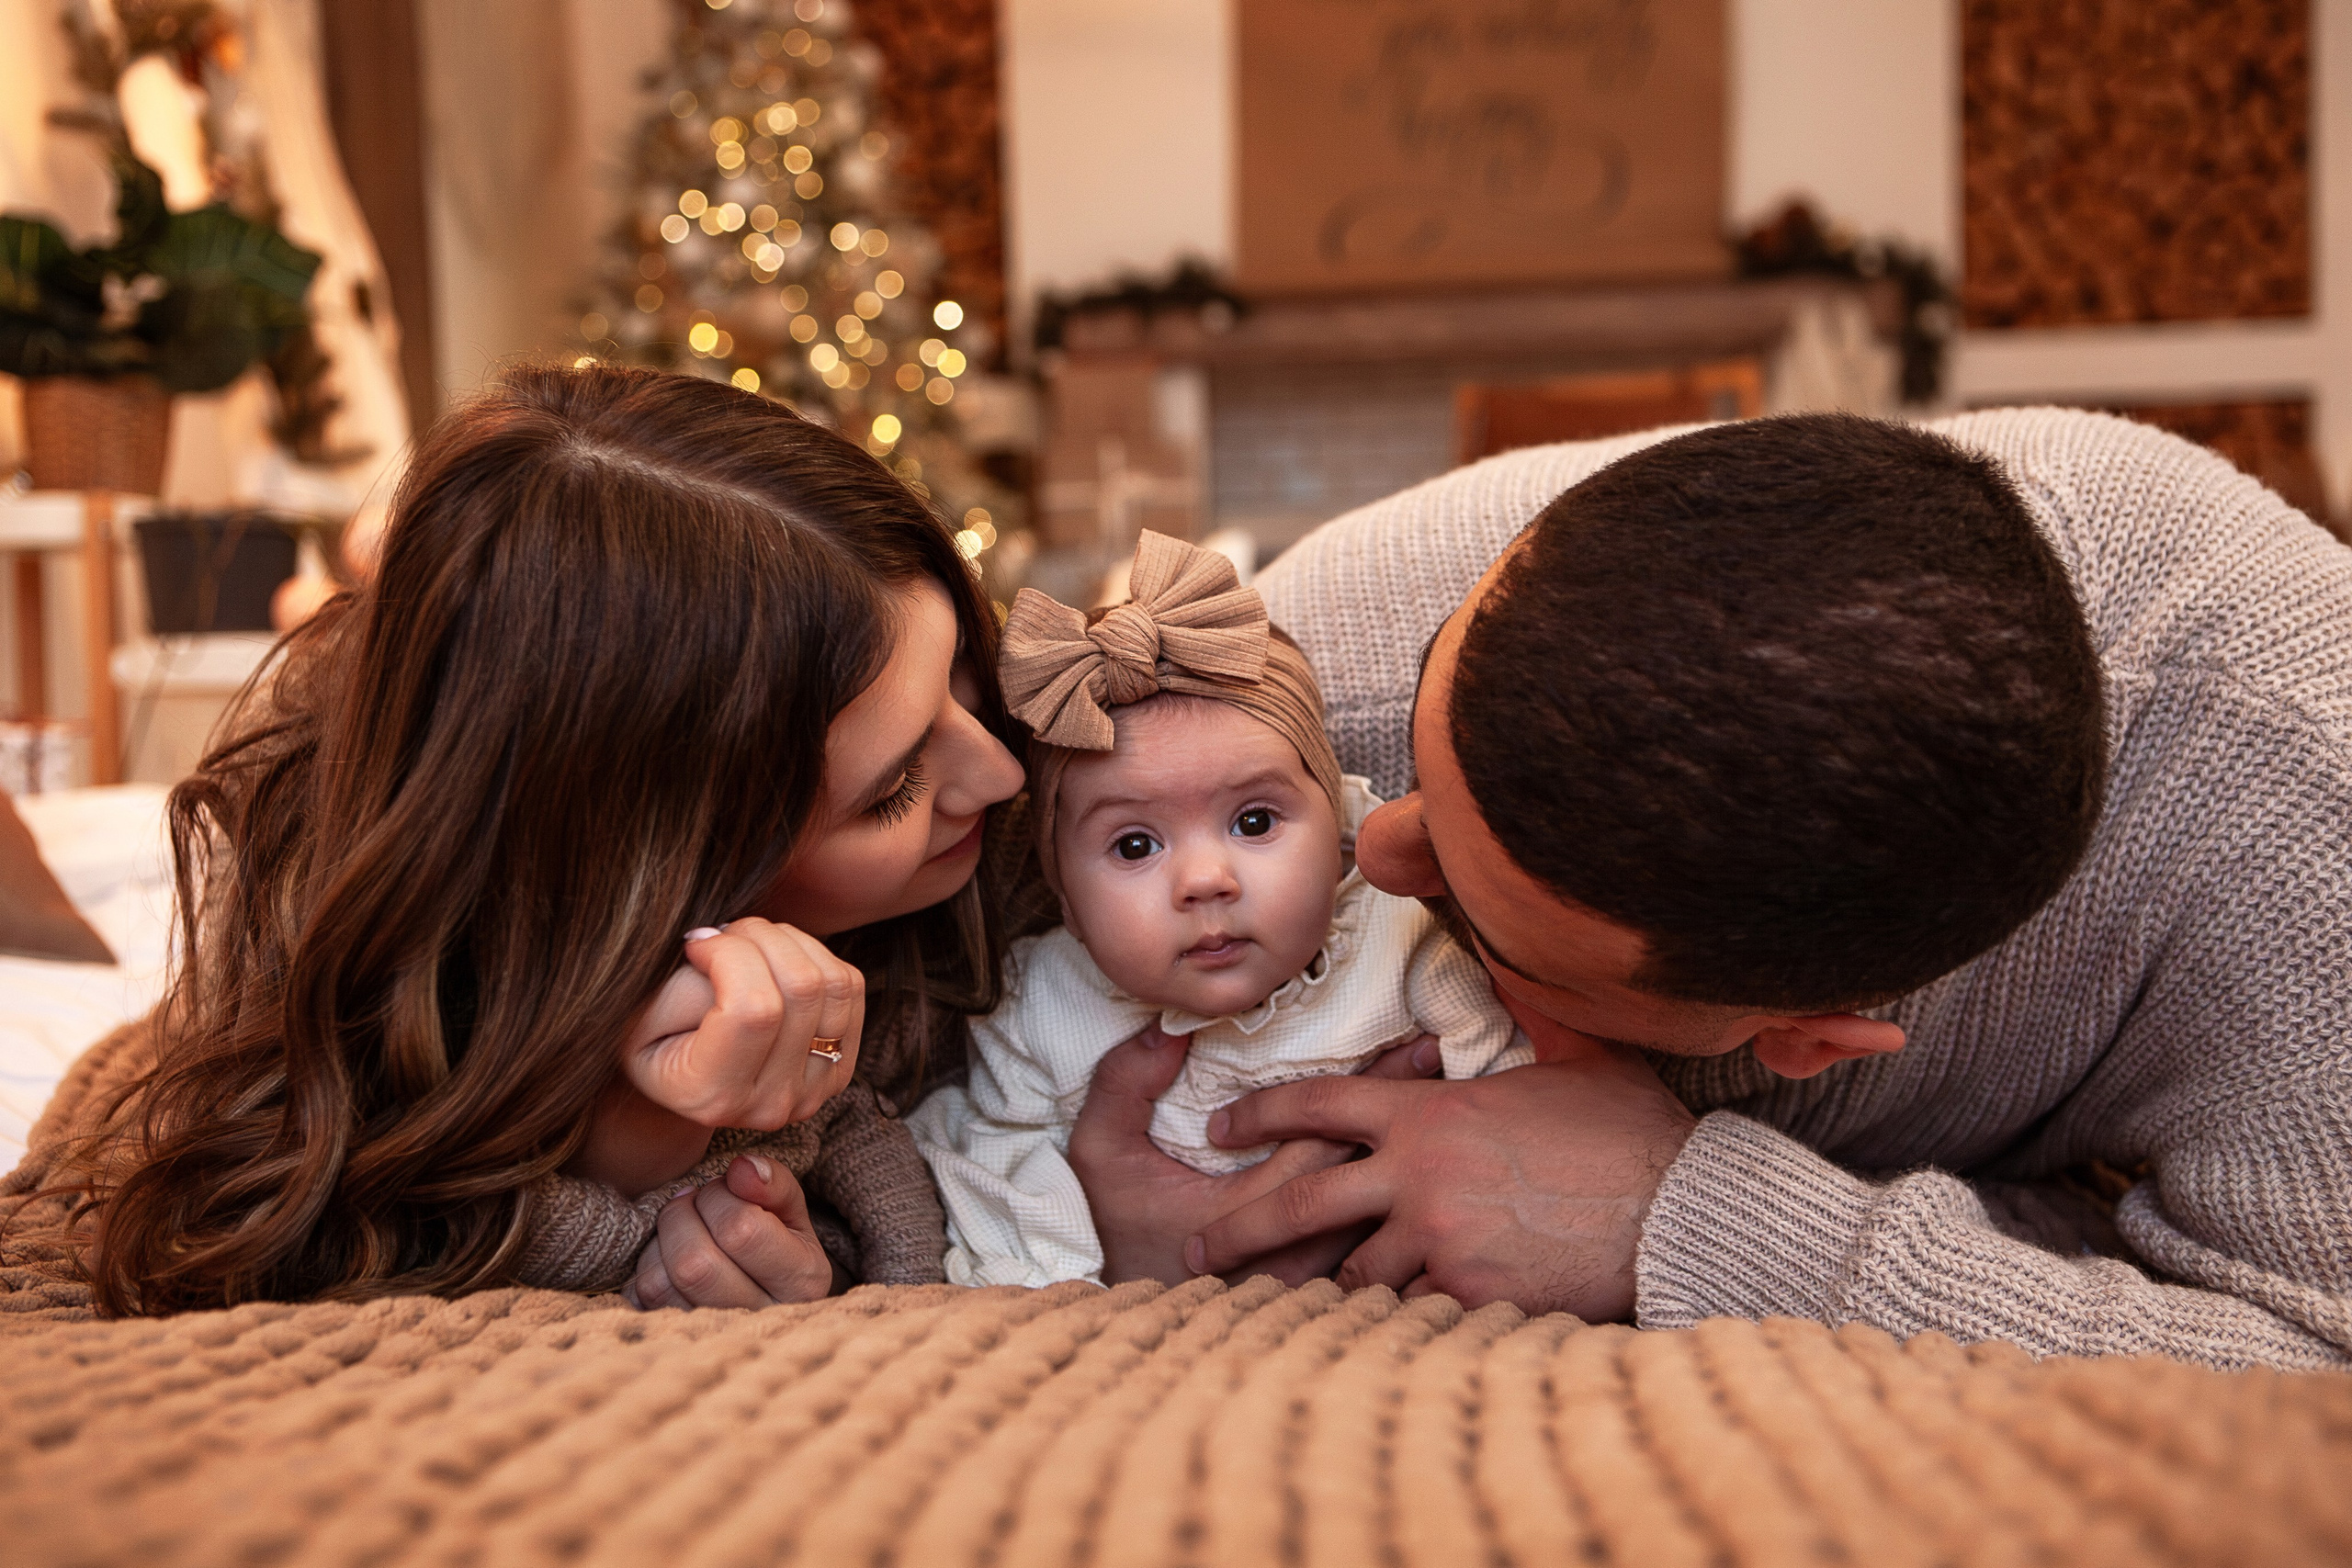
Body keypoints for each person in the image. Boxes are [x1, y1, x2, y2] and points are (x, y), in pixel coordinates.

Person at [1067, 410, 2352, 1371]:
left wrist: (1692, 1211)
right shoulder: (1300, 679)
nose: (1376, 844)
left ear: (1808, 1036)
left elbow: (2306, 1374)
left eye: (1474, 905)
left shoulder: (2313, 851)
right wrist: (1093, 1208)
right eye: (1425, 728)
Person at [13, 365, 1028, 1314]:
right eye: (895, 786)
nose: (1004, 772)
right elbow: (261, 1224)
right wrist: (655, 1159)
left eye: (964, 679)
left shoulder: (1060, 822)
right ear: (658, 863)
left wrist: (815, 1161)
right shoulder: (349, 986)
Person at [908, 532, 1527, 1287]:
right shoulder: (1039, 1007)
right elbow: (997, 1162)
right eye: (1135, 845)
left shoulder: (1402, 939)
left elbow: (1510, 1096)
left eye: (1255, 822)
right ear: (1064, 900)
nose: (1205, 880)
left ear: (1336, 834)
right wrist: (1060, 1288)